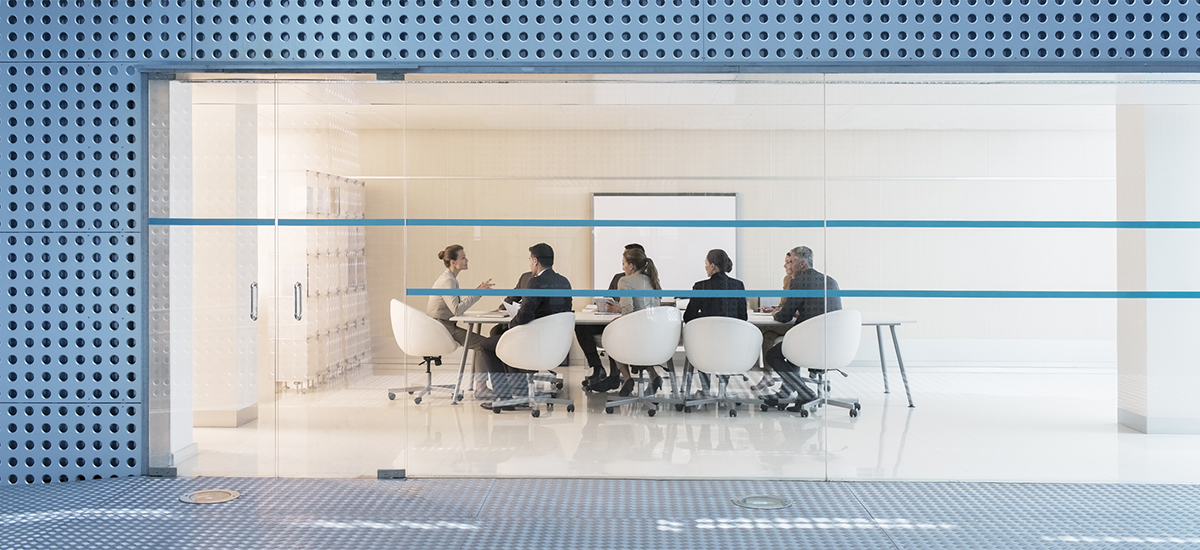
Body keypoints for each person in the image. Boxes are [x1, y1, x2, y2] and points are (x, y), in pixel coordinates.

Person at [477, 243, 573, 407]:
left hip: (534, 341)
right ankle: (521, 394)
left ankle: (504, 398)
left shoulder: (535, 282)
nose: (529, 264)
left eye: (530, 260)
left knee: (486, 345)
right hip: (556, 345)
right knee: (509, 342)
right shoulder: (565, 282)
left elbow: (524, 317)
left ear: (535, 261)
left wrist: (509, 327)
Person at [761, 246, 842, 410]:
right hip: (832, 344)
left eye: (792, 262)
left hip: (809, 342)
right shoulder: (831, 281)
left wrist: (776, 313)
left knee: (772, 355)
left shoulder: (799, 282)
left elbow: (784, 317)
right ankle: (787, 393)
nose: (788, 266)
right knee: (792, 347)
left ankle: (804, 392)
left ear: (802, 264)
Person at [427, 244, 496, 397]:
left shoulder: (450, 278)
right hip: (442, 328)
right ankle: (481, 388)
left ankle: (480, 386)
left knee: (481, 344)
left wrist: (476, 292)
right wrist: (477, 294)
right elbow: (457, 310)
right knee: (483, 344)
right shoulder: (448, 281)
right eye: (463, 257)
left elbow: (454, 308)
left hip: (443, 325)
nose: (466, 260)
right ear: (453, 262)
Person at [577, 243, 644, 392]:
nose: (623, 265)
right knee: (581, 326)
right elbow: (608, 298)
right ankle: (597, 367)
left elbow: (640, 308)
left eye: (625, 261)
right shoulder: (618, 278)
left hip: (631, 324)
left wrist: (621, 308)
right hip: (612, 319)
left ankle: (615, 375)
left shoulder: (644, 281)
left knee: (614, 331)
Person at [683, 249, 747, 398]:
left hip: (706, 345)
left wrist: (704, 316)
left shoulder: (700, 287)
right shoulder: (738, 286)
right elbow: (742, 317)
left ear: (712, 266)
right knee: (724, 346)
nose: (704, 267)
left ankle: (705, 391)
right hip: (732, 345)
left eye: (705, 264)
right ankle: (723, 390)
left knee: (702, 343)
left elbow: (688, 317)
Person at [607, 246, 663, 398]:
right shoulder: (653, 280)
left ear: (631, 266)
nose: (622, 266)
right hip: (655, 337)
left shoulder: (624, 281)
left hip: (637, 336)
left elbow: (628, 312)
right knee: (640, 343)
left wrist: (616, 320)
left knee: (610, 336)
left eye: (624, 263)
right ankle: (653, 376)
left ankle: (627, 378)